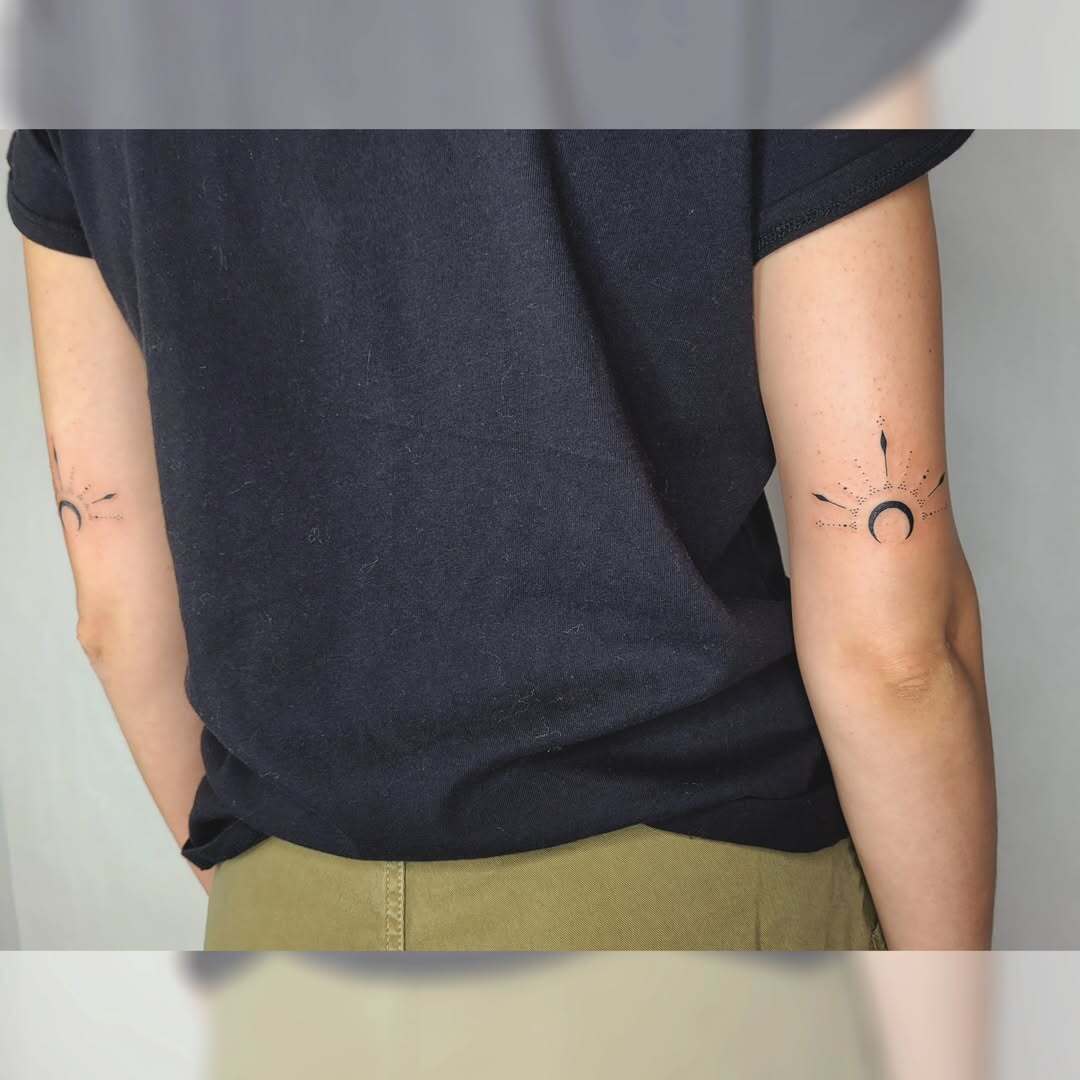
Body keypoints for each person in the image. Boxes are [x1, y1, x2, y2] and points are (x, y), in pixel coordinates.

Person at [6, 127, 995, 950]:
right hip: (692, 918)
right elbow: (895, 635)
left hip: (286, 935)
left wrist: (285, 904)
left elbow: (115, 605)